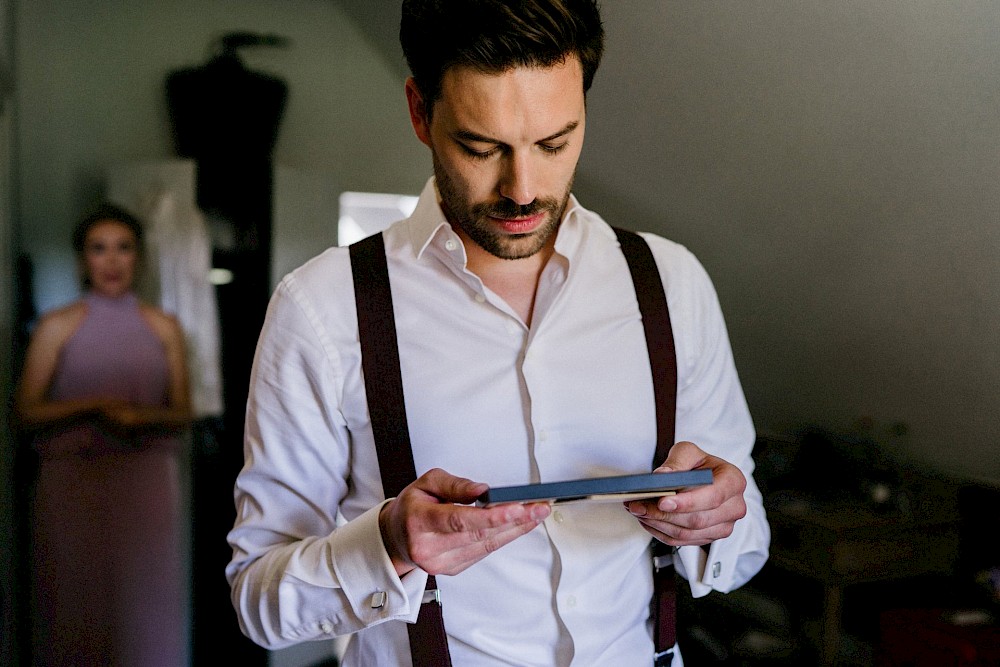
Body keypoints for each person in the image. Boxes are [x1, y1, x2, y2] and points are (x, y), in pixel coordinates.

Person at [226, 1, 770, 665]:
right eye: (482, 148)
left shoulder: (671, 283)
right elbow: (258, 599)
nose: (523, 189)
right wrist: (389, 546)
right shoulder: (323, 308)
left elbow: (746, 545)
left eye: (555, 142)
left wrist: (713, 522)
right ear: (420, 114)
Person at [14, 203, 192, 666]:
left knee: (147, 603)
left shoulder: (164, 327)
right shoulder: (56, 327)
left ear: (139, 258)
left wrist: (139, 418)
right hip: (71, 485)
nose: (111, 261)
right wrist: (93, 406)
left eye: (123, 248)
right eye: (99, 249)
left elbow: (183, 411)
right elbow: (25, 412)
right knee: (74, 602)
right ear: (82, 260)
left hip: (146, 485)